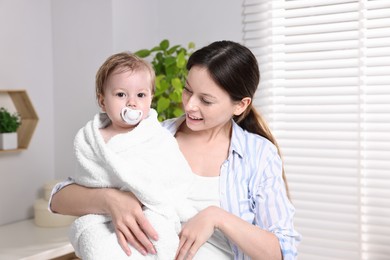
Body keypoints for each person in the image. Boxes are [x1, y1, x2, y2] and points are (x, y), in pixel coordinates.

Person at [50, 40, 301, 260]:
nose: (190, 105)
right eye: (188, 90)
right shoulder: (152, 136)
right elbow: (59, 198)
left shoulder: (258, 155)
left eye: (206, 100)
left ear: (240, 105)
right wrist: (111, 200)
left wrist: (216, 217)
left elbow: (281, 251)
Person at [67, 52, 197, 260]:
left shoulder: (156, 136)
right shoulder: (92, 138)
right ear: (102, 101)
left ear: (150, 98)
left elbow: (176, 175)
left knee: (159, 235)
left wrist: (146, 194)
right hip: (102, 216)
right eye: (120, 95)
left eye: (141, 95)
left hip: (149, 209)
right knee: (93, 242)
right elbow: (85, 176)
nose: (132, 103)